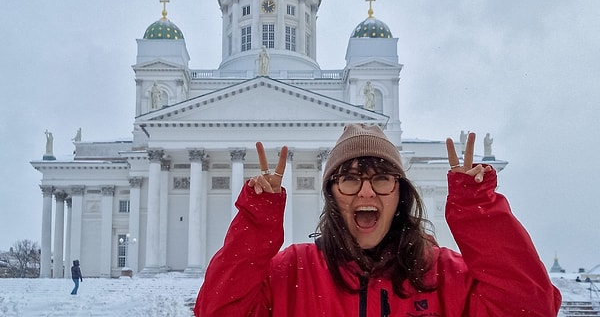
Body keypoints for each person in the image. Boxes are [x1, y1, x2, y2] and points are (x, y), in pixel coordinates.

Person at [195, 124, 561, 316]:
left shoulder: (444, 277)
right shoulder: (293, 273)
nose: (366, 193)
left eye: (382, 178)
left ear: (400, 193)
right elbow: (218, 310)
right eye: (350, 178)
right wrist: (257, 220)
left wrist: (478, 210)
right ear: (331, 194)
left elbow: (528, 308)